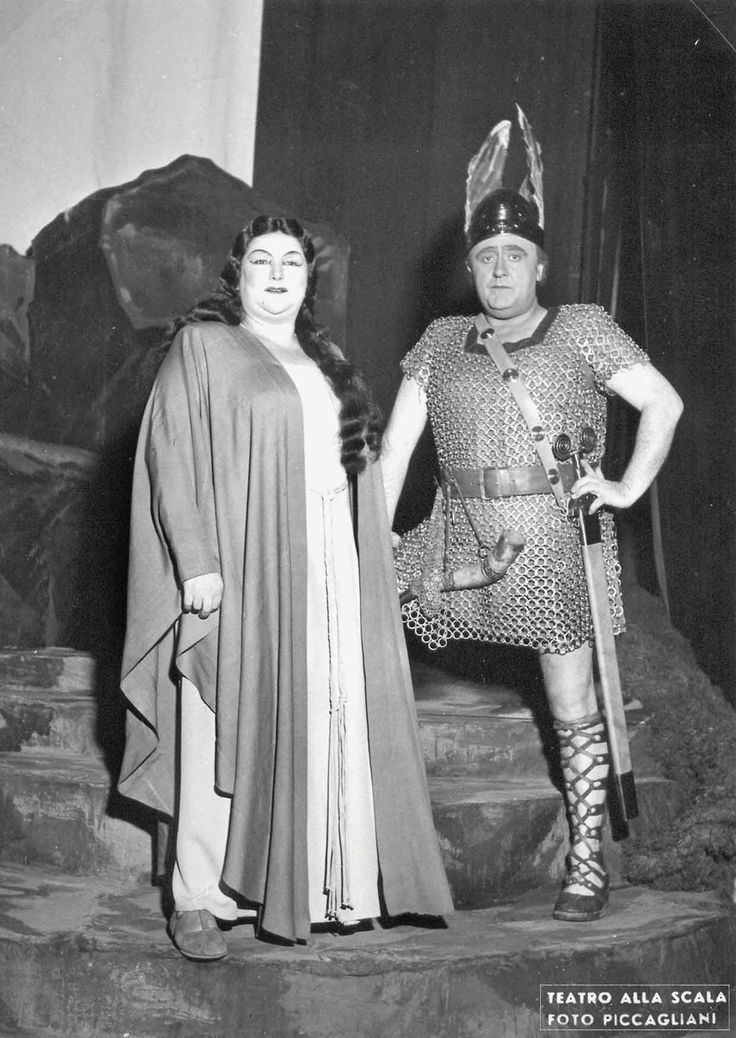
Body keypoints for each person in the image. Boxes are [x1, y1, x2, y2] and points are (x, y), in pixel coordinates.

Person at [117, 214, 453, 959]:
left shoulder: (330, 361)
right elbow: (170, 451)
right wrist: (196, 561)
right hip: (245, 559)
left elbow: (360, 474)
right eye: (261, 261)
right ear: (235, 276)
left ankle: (316, 886)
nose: (276, 274)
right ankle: (198, 898)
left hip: (332, 564)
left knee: (323, 717)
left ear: (308, 281)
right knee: (218, 710)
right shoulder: (204, 347)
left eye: (291, 262)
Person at [381, 111, 683, 923]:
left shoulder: (580, 328)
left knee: (571, 702)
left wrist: (625, 487)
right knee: (358, 621)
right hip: (455, 533)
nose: (499, 268)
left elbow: (663, 402)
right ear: (470, 268)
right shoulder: (440, 341)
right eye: (486, 256)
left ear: (540, 265)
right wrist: (369, 541)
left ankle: (587, 859)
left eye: (515, 254)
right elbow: (395, 454)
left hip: (551, 539)